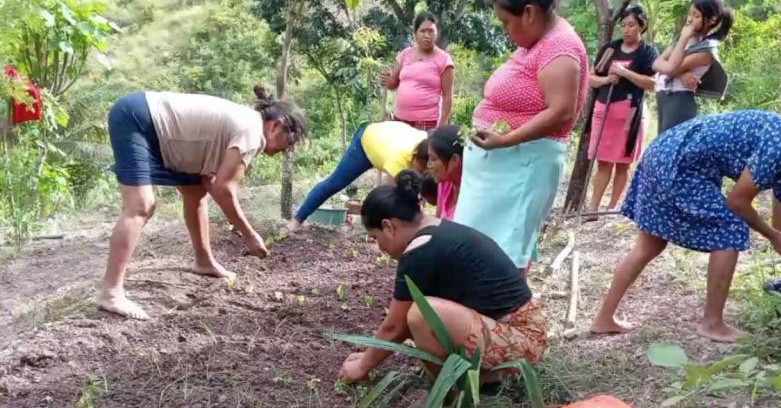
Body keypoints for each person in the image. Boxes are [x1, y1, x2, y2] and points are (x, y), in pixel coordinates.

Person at [98, 86, 308, 320]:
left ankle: (204, 261)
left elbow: (210, 182)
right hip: (138, 119)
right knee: (141, 206)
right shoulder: (252, 133)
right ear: (275, 125)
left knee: (196, 192)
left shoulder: (247, 124)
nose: (285, 149)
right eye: (288, 141)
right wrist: (249, 235)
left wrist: (214, 187)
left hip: (151, 123)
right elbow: (224, 189)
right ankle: (111, 292)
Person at [591, 110, 781, 342]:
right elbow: (738, 201)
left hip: (666, 153)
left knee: (649, 246)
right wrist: (771, 235)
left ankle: (604, 318)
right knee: (729, 229)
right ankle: (712, 324)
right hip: (679, 161)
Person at [338, 171, 547, 383]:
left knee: (421, 313)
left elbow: (395, 326)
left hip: (523, 345)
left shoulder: (420, 251)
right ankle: (471, 376)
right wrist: (369, 356)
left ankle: (452, 386)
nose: (378, 247)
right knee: (416, 313)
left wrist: (362, 367)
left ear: (388, 226)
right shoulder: (435, 231)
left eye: (375, 237)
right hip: (516, 336)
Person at [454, 0, 589, 274]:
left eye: (506, 22)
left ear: (529, 13)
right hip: (504, 167)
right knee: (481, 250)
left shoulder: (561, 47)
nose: (505, 31)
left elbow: (562, 111)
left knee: (506, 254)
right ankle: (481, 316)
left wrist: (506, 140)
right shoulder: (541, 41)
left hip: (524, 166)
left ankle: (504, 317)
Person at [287, 121, 429, 230]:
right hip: (366, 142)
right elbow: (392, 195)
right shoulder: (398, 158)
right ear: (415, 158)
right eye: (421, 168)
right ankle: (296, 221)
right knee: (335, 183)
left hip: (388, 139)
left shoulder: (430, 146)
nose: (423, 172)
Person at [587, 5, 659, 214]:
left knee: (622, 162)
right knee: (603, 161)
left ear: (642, 26)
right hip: (604, 108)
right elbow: (591, 78)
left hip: (630, 113)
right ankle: (593, 206)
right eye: (624, 26)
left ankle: (611, 207)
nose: (627, 30)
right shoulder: (610, 49)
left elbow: (653, 84)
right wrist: (607, 79)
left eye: (631, 25)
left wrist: (625, 73)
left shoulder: (648, 52)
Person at [654, 0, 733, 134]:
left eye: (696, 16)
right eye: (690, 14)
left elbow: (670, 67)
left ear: (712, 20)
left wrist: (683, 40)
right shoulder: (680, 42)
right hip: (664, 97)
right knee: (662, 147)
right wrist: (682, 73)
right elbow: (656, 64)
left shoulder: (706, 51)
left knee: (671, 149)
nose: (690, 19)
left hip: (679, 100)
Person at [379, 12, 455, 131]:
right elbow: (393, 83)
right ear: (415, 33)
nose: (427, 35)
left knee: (422, 150)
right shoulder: (405, 55)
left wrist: (442, 127)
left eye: (431, 31)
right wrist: (386, 80)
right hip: (399, 121)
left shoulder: (444, 60)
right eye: (423, 31)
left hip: (427, 124)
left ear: (437, 33)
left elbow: (447, 97)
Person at [427, 125, 463, 220]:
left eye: (433, 159)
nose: (428, 165)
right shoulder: (444, 183)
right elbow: (438, 223)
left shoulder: (471, 195)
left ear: (455, 160)